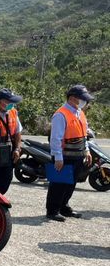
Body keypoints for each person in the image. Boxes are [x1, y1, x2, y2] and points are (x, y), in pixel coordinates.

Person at [45, 84, 94, 222]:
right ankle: (52, 210)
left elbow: (83, 135)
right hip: (64, 156)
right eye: (82, 99)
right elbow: (56, 138)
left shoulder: (80, 113)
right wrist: (58, 158)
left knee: (70, 184)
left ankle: (64, 206)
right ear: (72, 98)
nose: (85, 102)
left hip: (77, 156)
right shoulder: (61, 114)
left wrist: (87, 151)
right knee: (58, 184)